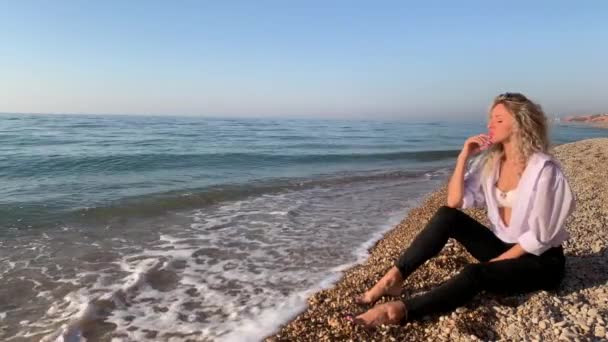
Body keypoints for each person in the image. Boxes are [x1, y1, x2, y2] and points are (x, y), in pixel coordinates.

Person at [347, 92, 575, 328]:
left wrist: (493, 265)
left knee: (474, 274)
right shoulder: (493, 163)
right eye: (490, 119)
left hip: (541, 262)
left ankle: (399, 311)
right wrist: (463, 157)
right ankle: (393, 278)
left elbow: (538, 238)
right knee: (447, 216)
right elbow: (454, 201)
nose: (490, 125)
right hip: (504, 246)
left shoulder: (544, 170)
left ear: (520, 123)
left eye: (498, 119)